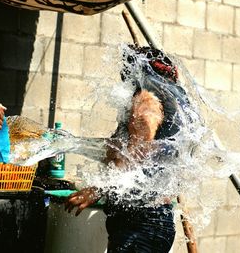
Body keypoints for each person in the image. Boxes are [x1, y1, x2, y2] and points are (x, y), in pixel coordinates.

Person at [65, 46, 190, 253]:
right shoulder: (173, 102)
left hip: (139, 223)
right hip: (152, 220)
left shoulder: (146, 98)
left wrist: (98, 189)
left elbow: (137, 153)